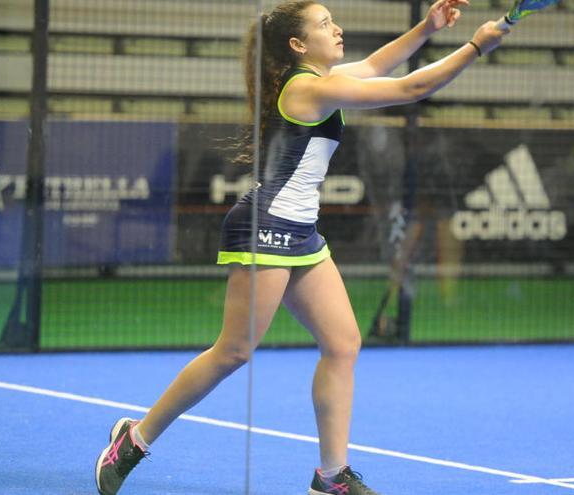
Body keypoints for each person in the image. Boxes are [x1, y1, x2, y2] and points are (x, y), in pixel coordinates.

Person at [96, 1, 507, 494]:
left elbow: (377, 67)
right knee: (233, 352)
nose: (338, 29)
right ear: (297, 45)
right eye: (324, 24)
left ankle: (331, 477)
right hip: (265, 227)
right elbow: (411, 87)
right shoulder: (308, 86)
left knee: (343, 344)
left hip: (301, 232)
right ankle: (133, 441)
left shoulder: (318, 80)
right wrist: (477, 45)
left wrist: (427, 28)